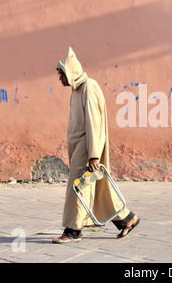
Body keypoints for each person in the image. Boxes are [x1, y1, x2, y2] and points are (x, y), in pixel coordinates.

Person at [52, 47, 140, 243]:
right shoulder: (77, 90)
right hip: (80, 146)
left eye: (61, 75)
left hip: (86, 146)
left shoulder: (88, 87)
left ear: (71, 73)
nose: (60, 79)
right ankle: (126, 219)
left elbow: (94, 122)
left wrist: (93, 155)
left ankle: (72, 231)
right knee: (99, 186)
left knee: (77, 187)